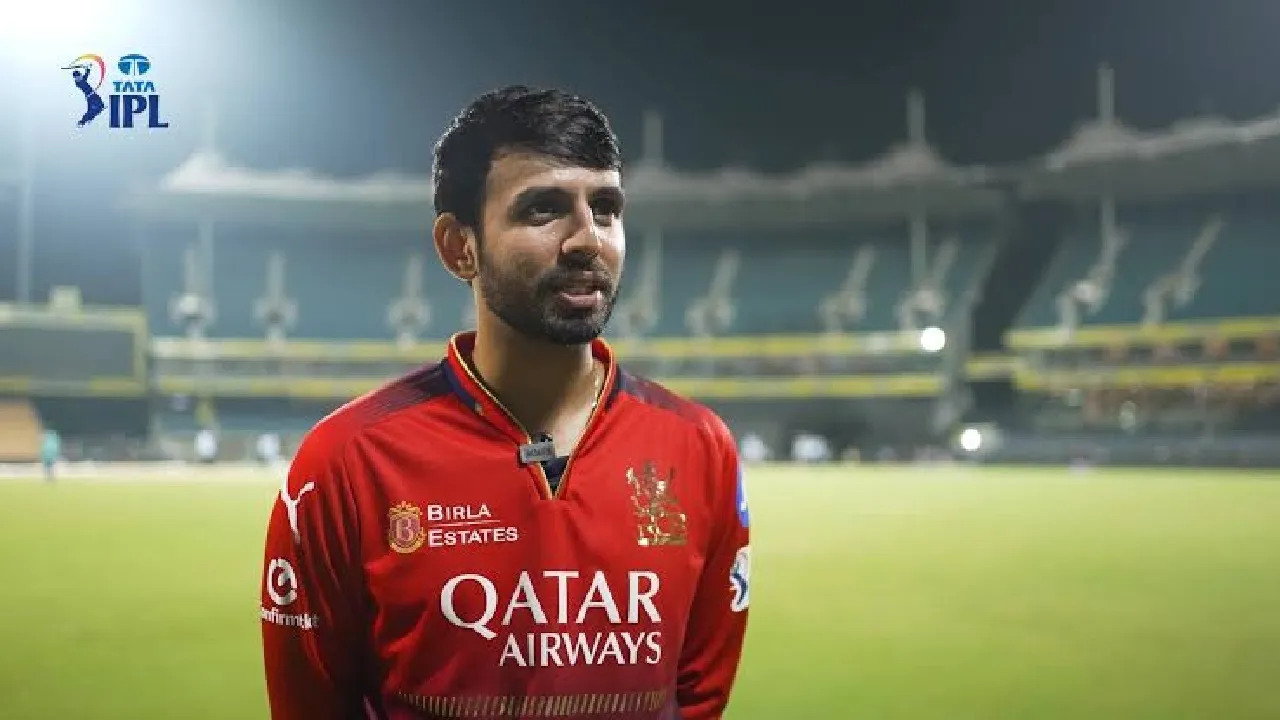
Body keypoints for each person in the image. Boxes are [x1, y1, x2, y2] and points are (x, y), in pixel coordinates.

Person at [260, 86, 750, 720]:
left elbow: (698, 698)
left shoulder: (700, 447)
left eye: (605, 208)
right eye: (544, 210)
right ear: (457, 246)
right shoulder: (346, 463)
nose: (587, 240)